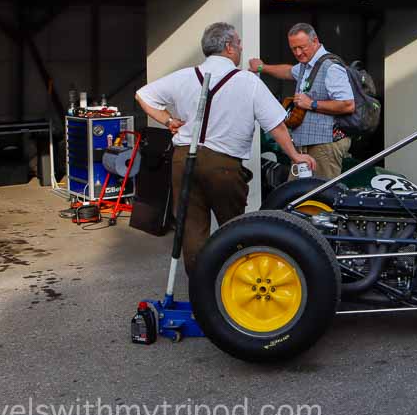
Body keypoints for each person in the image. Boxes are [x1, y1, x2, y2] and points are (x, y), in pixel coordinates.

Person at [135, 22, 315, 276]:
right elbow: (276, 125)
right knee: (234, 229)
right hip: (223, 166)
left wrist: (167, 120)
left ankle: (201, 291)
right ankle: (233, 287)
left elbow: (142, 95)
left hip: (183, 161)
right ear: (229, 47)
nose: (241, 47)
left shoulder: (184, 76)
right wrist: (296, 155)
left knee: (191, 230)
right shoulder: (247, 82)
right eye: (239, 43)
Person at [251, 23, 355, 180]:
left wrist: (312, 104)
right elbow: (288, 71)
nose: (298, 53)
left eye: (302, 47)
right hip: (305, 145)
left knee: (319, 196)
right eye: (294, 49)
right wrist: (262, 68)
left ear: (315, 41)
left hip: (325, 145)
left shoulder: (331, 67)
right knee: (297, 194)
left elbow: (348, 104)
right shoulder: (306, 65)